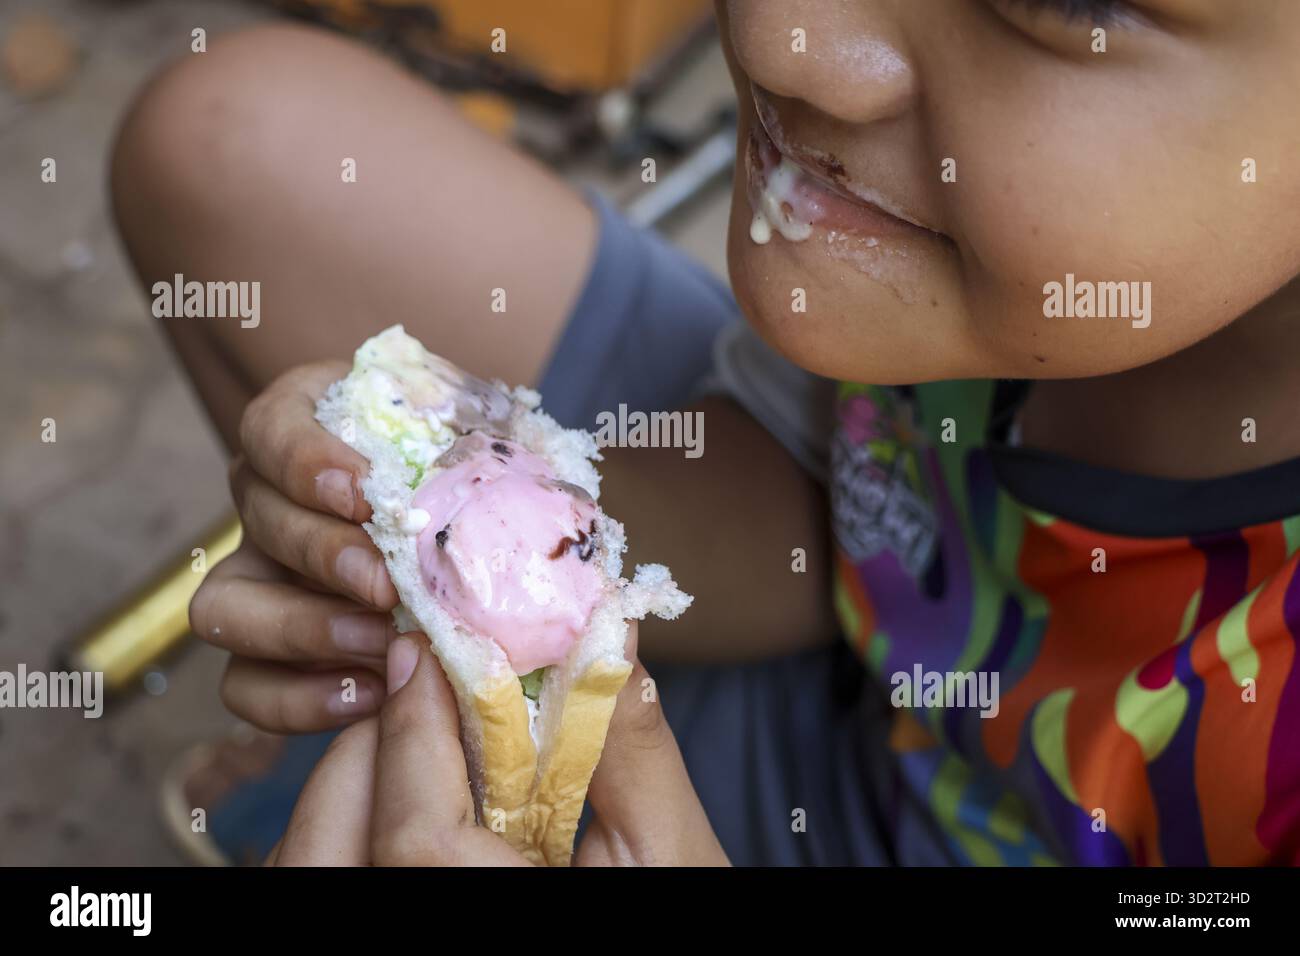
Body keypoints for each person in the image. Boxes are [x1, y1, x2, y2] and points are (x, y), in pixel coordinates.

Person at [113, 0, 1300, 866]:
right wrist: (460, 523)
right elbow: (828, 505)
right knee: (234, 140)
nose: (786, 36)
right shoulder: (975, 274)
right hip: (850, 710)